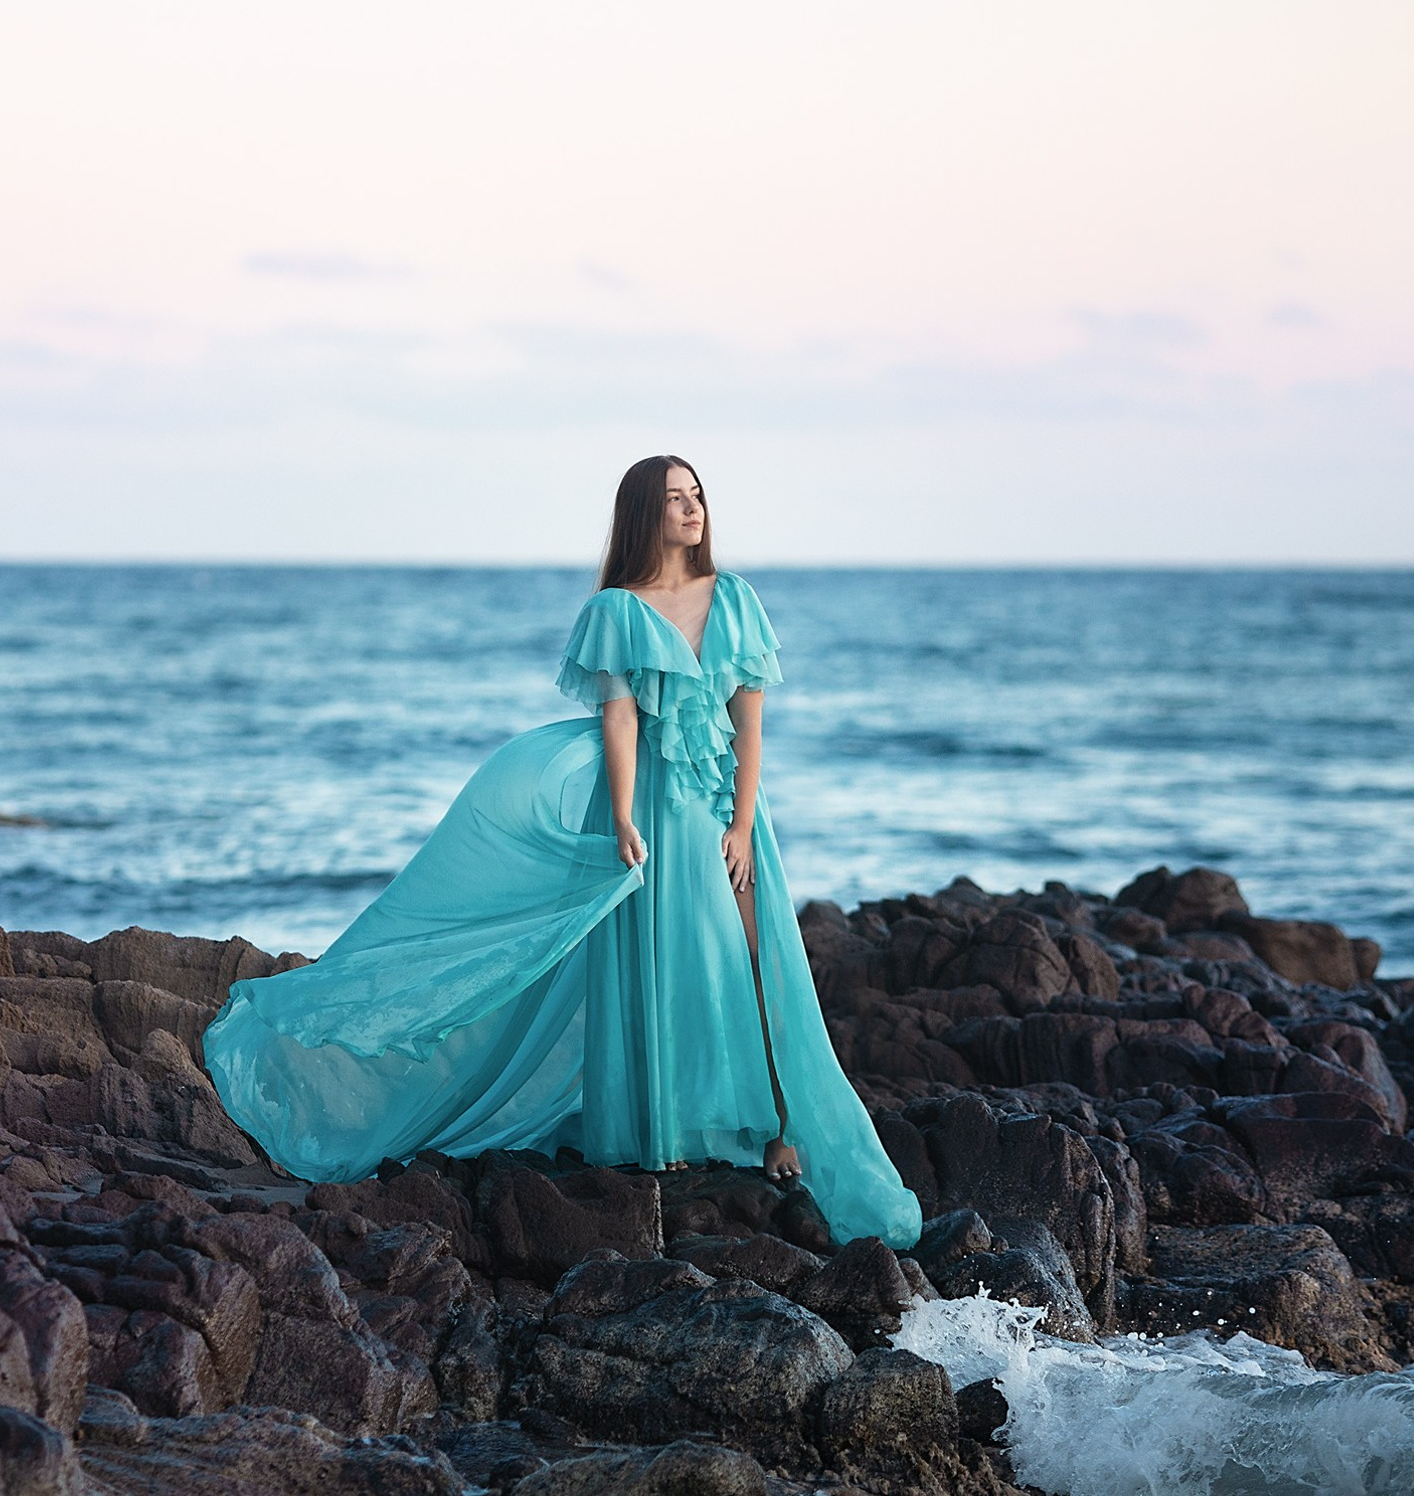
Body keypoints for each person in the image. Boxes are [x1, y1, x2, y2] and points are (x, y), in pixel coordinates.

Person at [201, 455, 921, 1250]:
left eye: (698, 496)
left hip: (723, 813)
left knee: (750, 962)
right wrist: (619, 818)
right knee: (655, 966)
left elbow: (749, 723)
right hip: (651, 812)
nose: (694, 510)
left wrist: (744, 825)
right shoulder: (615, 609)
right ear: (645, 514)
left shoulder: (736, 600)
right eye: (676, 499)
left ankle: (774, 1130)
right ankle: (662, 1139)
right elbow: (618, 720)